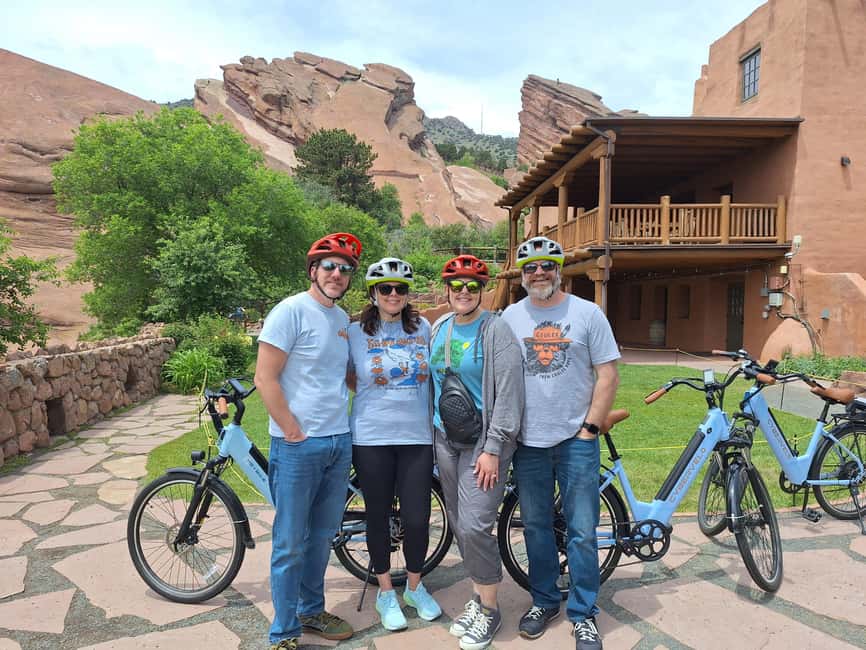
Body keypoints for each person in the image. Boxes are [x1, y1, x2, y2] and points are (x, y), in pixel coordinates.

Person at [501, 236, 620, 650]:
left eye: (546, 265)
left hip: (576, 439)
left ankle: (584, 613)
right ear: (522, 274)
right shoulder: (509, 318)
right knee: (534, 526)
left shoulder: (587, 313)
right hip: (528, 441)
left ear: (559, 270)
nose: (538, 273)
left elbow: (607, 375)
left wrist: (590, 427)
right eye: (530, 266)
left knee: (583, 530)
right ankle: (544, 600)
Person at [255, 232, 362, 650]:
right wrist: (293, 432)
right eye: (330, 266)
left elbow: (345, 377)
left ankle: (311, 610)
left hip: (338, 443)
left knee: (321, 537)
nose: (337, 273)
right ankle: (283, 632)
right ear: (313, 271)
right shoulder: (290, 311)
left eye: (346, 268)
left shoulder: (341, 320)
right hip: (298, 447)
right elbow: (265, 378)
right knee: (289, 543)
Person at [429, 254, 525, 650]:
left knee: (474, 524)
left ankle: (490, 607)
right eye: (457, 286)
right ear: (447, 291)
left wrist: (494, 448)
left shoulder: (496, 330)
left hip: (484, 444)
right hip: (444, 438)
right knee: (456, 519)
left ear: (482, 290)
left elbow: (509, 393)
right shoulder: (440, 328)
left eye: (472, 286)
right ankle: (477, 594)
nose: (464, 292)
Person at [346, 257, 442, 631]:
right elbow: (347, 377)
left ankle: (415, 587)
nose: (393, 294)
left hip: (417, 436)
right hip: (371, 437)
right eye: (385, 288)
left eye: (400, 288)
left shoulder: (424, 328)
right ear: (373, 293)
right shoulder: (354, 332)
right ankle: (386, 591)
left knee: (417, 519)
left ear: (407, 294)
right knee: (379, 516)